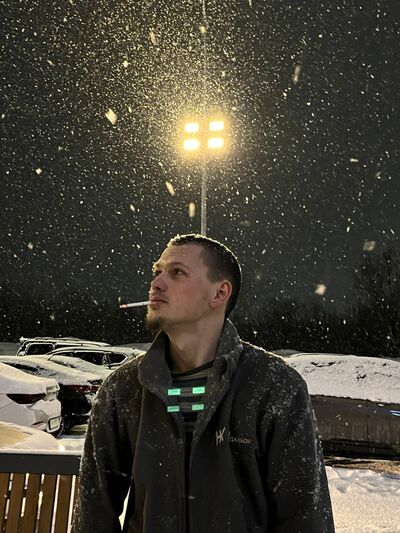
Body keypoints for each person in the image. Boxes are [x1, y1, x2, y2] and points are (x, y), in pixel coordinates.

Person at [72, 234, 334, 533]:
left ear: (220, 293)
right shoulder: (124, 389)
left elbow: (304, 517)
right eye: (157, 271)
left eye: (177, 272)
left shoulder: (275, 387)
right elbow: (93, 514)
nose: (156, 283)